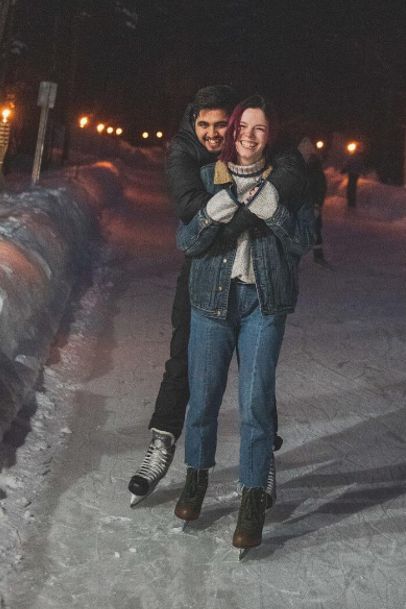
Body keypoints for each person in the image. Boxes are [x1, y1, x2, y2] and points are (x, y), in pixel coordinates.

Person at [127, 86, 305, 507]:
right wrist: (243, 212)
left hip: (251, 276)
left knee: (256, 377)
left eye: (222, 124)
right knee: (184, 361)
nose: (212, 133)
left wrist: (268, 194)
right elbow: (189, 205)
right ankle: (163, 442)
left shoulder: (258, 141)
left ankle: (262, 458)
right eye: (203, 124)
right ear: (193, 124)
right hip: (203, 266)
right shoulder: (184, 148)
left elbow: (291, 166)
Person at [173, 95, 316, 553]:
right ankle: (196, 480)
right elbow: (186, 242)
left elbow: (305, 240)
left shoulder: (288, 184)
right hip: (211, 303)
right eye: (243, 127)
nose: (249, 136)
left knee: (255, 403)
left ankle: (252, 499)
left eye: (259, 128)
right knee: (203, 398)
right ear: (232, 130)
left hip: (264, 304)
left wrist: (276, 212)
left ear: (269, 136)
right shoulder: (207, 178)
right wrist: (208, 215)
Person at [297, 138, 329, 265]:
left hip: (311, 204)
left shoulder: (315, 169)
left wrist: (317, 204)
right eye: (302, 153)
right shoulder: (297, 167)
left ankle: (318, 256)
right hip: (298, 205)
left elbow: (321, 187)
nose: (304, 156)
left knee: (315, 229)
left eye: (306, 153)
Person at [342, 143, 364, 209]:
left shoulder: (353, 157)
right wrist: (362, 172)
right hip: (356, 174)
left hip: (352, 173)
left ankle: (350, 202)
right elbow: (361, 166)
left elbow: (348, 164)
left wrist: (344, 170)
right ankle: (352, 202)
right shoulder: (359, 158)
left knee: (350, 187)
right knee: (353, 187)